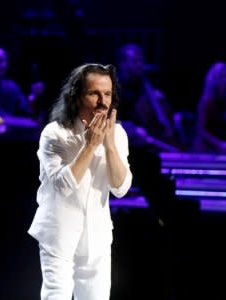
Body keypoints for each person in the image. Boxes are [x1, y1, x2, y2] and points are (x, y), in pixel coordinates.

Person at [28, 63, 133, 300]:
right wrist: (90, 145)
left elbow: (121, 188)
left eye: (107, 94)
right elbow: (62, 186)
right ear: (76, 97)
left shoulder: (118, 134)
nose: (103, 101)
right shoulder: (54, 134)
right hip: (59, 233)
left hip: (97, 235)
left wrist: (109, 145)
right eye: (94, 93)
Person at [116, 43, 182, 151]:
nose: (140, 65)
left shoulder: (145, 87)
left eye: (141, 61)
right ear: (122, 64)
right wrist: (132, 128)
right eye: (135, 61)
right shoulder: (114, 88)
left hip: (146, 140)